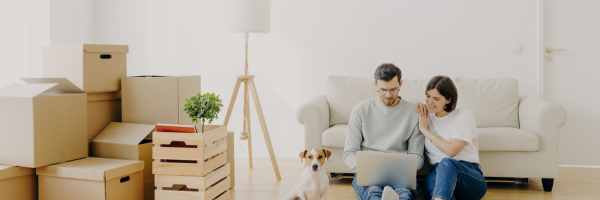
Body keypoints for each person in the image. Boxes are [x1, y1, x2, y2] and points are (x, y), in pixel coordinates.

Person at [344, 63, 425, 200]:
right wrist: (367, 168)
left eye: (393, 89)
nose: (388, 95)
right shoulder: (360, 110)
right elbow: (349, 153)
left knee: (404, 195)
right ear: (375, 84)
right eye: (383, 90)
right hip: (369, 175)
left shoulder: (413, 112)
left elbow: (417, 156)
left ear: (400, 84)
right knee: (373, 194)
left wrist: (404, 169)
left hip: (401, 175)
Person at [411, 76, 487, 200]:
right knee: (440, 194)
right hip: (436, 173)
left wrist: (425, 130)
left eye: (436, 99)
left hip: (466, 174)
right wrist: (415, 102)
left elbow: (451, 151)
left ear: (448, 100)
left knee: (446, 163)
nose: (429, 102)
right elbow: (402, 107)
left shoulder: (463, 115)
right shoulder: (426, 115)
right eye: (428, 96)